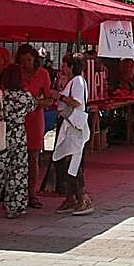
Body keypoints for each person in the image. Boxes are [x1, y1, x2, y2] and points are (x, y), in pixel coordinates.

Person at [0, 51, 40, 219]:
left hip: (1, 134)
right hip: (19, 136)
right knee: (17, 172)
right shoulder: (25, 97)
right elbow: (33, 107)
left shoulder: (0, 96)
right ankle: (15, 207)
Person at [50, 52, 93, 215]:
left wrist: (58, 96)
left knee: (73, 162)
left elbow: (76, 102)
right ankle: (70, 197)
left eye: (65, 65)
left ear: (72, 67)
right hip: (67, 124)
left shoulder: (78, 81)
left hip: (74, 125)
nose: (62, 67)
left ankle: (82, 198)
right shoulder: (72, 81)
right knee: (63, 160)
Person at [17, 44, 52, 208]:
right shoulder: (15, 74)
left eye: (29, 60)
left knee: (33, 158)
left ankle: (32, 193)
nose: (26, 63)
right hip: (17, 120)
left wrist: (38, 103)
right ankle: (16, 193)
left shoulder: (42, 74)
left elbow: (49, 99)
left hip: (35, 120)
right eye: (23, 60)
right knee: (17, 159)